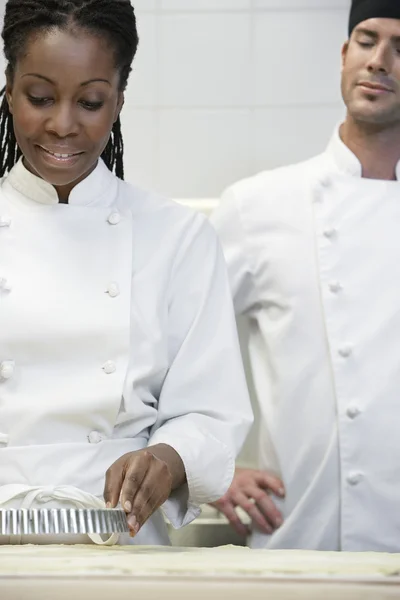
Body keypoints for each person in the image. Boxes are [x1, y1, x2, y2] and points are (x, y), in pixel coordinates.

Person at [0, 0, 253, 546]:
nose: (62, 124)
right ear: (8, 87)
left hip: (120, 543)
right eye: (39, 97)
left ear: (118, 101)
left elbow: (212, 412)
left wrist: (168, 457)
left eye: (89, 101)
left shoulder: (177, 237)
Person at [211, 0, 400, 552]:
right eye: (367, 41)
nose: (380, 61)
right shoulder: (258, 205)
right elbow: (171, 351)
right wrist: (212, 466)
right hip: (296, 537)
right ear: (344, 55)